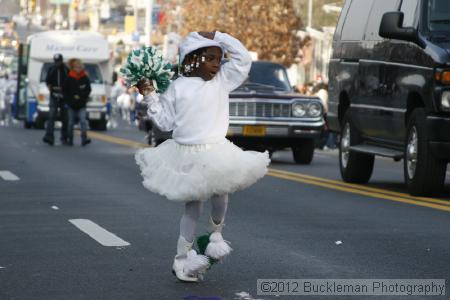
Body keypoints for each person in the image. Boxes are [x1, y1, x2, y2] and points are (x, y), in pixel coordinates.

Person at [135, 31, 270, 282]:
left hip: (217, 149)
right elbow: (165, 123)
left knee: (221, 195)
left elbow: (243, 59)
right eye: (210, 58)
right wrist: (150, 95)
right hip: (187, 152)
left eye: (219, 59)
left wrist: (220, 35)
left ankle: (214, 235)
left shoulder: (223, 80)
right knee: (193, 207)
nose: (217, 64)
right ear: (193, 59)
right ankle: (182, 259)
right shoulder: (178, 86)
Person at [42, 53, 69, 146]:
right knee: (51, 115)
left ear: (62, 61)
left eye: (59, 61)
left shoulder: (66, 69)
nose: (57, 63)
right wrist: (51, 88)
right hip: (53, 95)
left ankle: (64, 137)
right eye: (56, 61)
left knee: (65, 117)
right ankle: (49, 136)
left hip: (64, 96)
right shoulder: (51, 69)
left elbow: (70, 81)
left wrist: (64, 90)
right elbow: (47, 81)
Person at [63, 58, 92, 146]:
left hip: (81, 104)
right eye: (76, 67)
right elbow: (65, 90)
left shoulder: (84, 77)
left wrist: (83, 97)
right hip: (71, 104)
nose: (78, 69)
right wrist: (69, 99)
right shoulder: (69, 77)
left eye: (80, 67)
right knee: (71, 122)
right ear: (73, 68)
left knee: (83, 121)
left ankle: (84, 138)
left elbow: (88, 89)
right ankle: (70, 138)